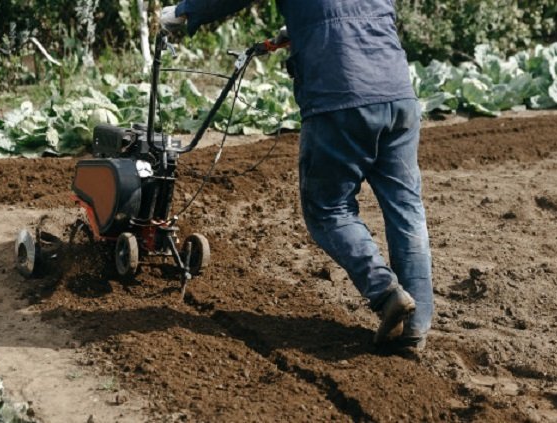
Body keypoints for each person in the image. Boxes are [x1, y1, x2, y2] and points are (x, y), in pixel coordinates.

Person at [162, 0, 433, 352]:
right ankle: (415, 326)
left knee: (328, 210)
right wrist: (301, 28)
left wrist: (183, 11)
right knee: (405, 207)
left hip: (339, 97)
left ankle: (385, 292)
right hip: (397, 93)